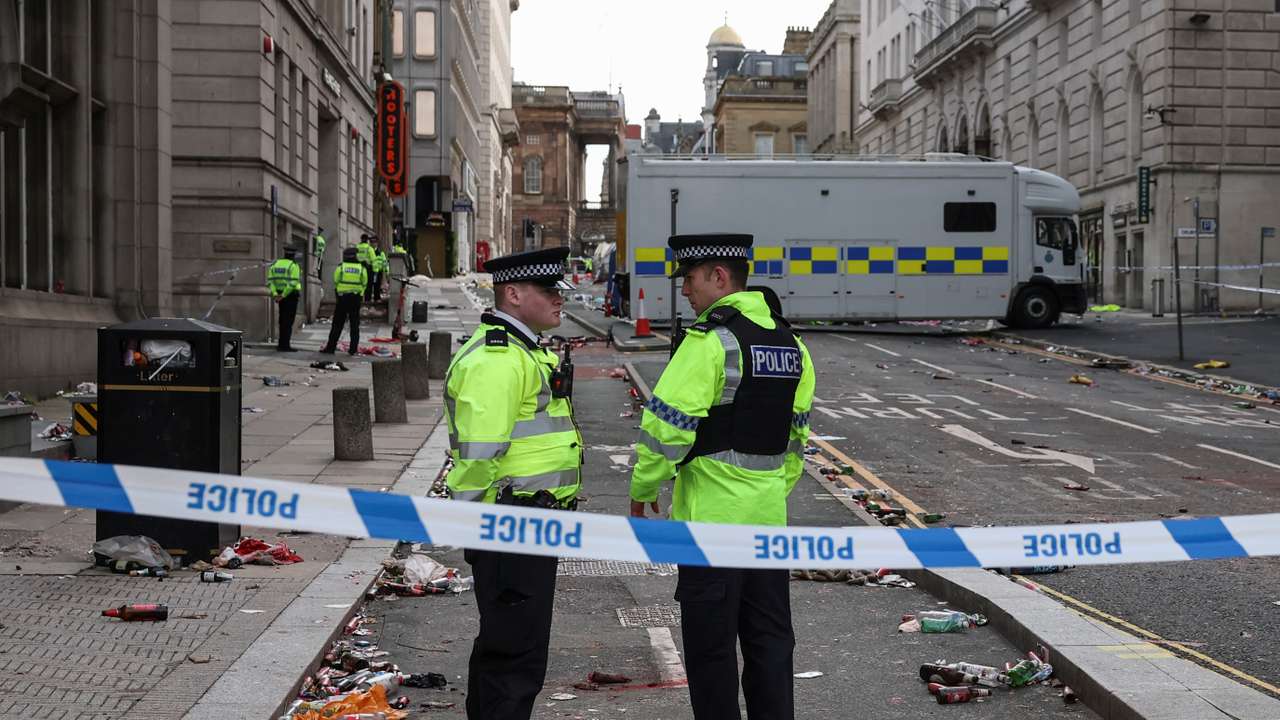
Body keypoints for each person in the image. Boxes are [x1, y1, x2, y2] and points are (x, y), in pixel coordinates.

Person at [629, 233, 815, 720]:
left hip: (710, 529)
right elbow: (796, 441)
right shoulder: (791, 344)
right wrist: (769, 489)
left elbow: (666, 426)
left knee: (712, 654)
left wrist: (644, 489)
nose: (685, 292)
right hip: (768, 528)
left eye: (690, 280)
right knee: (771, 647)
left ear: (719, 277)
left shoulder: (711, 342)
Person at [443, 247, 582, 720]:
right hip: (512, 522)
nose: (559, 300)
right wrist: (472, 521)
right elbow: (480, 454)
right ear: (514, 293)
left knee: (504, 648)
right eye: (549, 292)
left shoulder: (521, 350)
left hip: (524, 521)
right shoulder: (498, 360)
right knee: (516, 662)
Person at [320, 246, 368, 355]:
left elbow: (336, 280)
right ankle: (353, 349)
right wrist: (360, 294)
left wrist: (340, 292)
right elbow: (364, 283)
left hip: (342, 298)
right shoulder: (361, 268)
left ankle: (331, 348)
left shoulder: (341, 267)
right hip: (355, 298)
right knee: (354, 325)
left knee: (337, 324)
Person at [266, 247, 302, 352]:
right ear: (293, 255)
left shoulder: (275, 264)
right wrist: (284, 295)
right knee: (288, 321)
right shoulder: (293, 265)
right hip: (290, 296)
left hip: (279, 295)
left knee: (282, 320)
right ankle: (285, 345)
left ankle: (281, 344)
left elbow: (270, 282)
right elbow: (293, 283)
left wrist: (276, 294)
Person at [356, 234, 376, 301]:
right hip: (367, 268)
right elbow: (374, 260)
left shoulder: (357, 247)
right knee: (368, 285)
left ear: (361, 239)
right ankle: (367, 301)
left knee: (359, 284)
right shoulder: (369, 248)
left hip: (358, 268)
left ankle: (360, 299)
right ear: (367, 240)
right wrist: (375, 271)